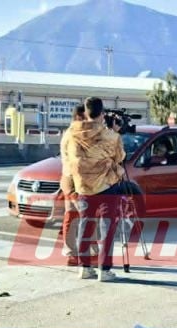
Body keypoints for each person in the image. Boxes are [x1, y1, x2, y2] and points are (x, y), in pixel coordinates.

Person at [63, 97, 126, 282]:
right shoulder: (110, 136)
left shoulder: (72, 133)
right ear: (102, 113)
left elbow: (67, 157)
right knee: (107, 228)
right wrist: (114, 131)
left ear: (86, 112)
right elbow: (120, 156)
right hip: (107, 186)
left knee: (85, 225)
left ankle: (84, 267)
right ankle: (104, 270)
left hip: (83, 186)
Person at [59, 105, 87, 266]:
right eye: (86, 118)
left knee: (73, 215)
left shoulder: (74, 133)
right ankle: (73, 252)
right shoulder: (74, 134)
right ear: (78, 118)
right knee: (81, 214)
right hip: (74, 179)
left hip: (71, 178)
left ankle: (73, 251)